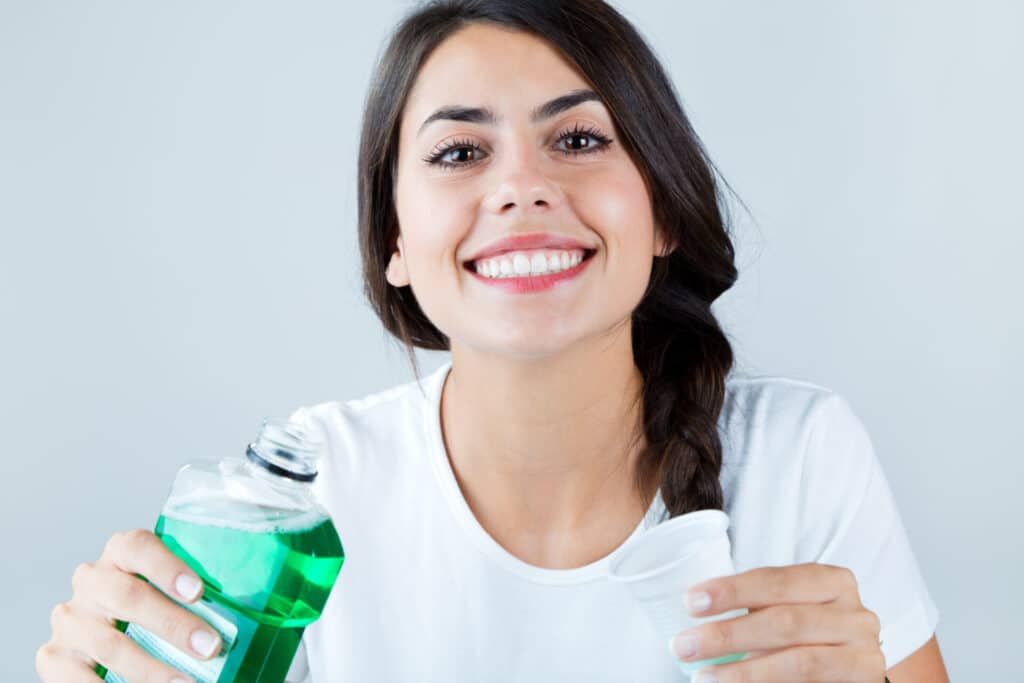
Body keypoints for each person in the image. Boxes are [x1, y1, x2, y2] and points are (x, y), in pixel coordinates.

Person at [36, 1, 950, 681]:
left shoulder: (802, 457)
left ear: (666, 209)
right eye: (459, 154)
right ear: (393, 241)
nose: (521, 187)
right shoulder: (297, 503)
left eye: (580, 139)